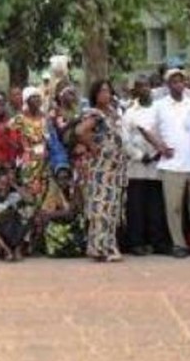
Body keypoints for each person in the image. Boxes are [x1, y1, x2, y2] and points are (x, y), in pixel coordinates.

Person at [142, 69, 190, 258]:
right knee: (173, 208)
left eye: (181, 81)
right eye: (174, 82)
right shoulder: (160, 105)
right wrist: (160, 147)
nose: (178, 85)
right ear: (168, 85)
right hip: (171, 165)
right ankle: (179, 244)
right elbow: (146, 129)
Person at [72, 80, 128, 262]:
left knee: (112, 209)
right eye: (102, 91)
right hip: (101, 167)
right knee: (100, 207)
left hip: (115, 167)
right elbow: (80, 131)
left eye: (108, 91)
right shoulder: (95, 114)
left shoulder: (112, 113)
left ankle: (109, 245)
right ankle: (99, 248)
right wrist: (91, 145)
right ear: (95, 95)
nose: (106, 95)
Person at [122, 76, 168, 256]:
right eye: (140, 86)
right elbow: (125, 139)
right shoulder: (129, 112)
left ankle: (157, 241)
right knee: (136, 207)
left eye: (147, 85)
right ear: (134, 91)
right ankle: (136, 242)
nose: (144, 89)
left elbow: (165, 132)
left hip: (158, 164)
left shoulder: (159, 110)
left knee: (156, 207)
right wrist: (141, 156)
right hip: (136, 167)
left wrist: (158, 153)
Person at [36, 165, 84, 257]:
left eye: (66, 178)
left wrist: (53, 214)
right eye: (60, 179)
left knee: (79, 221)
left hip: (73, 225)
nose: (63, 182)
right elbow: (44, 212)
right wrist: (56, 214)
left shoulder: (76, 190)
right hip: (61, 223)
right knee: (45, 222)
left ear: (70, 179)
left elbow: (73, 212)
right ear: (57, 180)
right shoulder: (54, 192)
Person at [11, 87, 50, 200]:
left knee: (44, 191)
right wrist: (18, 146)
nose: (37, 100)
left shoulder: (45, 118)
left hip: (45, 160)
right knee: (29, 192)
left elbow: (48, 137)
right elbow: (4, 132)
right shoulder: (21, 119)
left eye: (38, 97)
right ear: (27, 101)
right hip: (29, 161)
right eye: (33, 97)